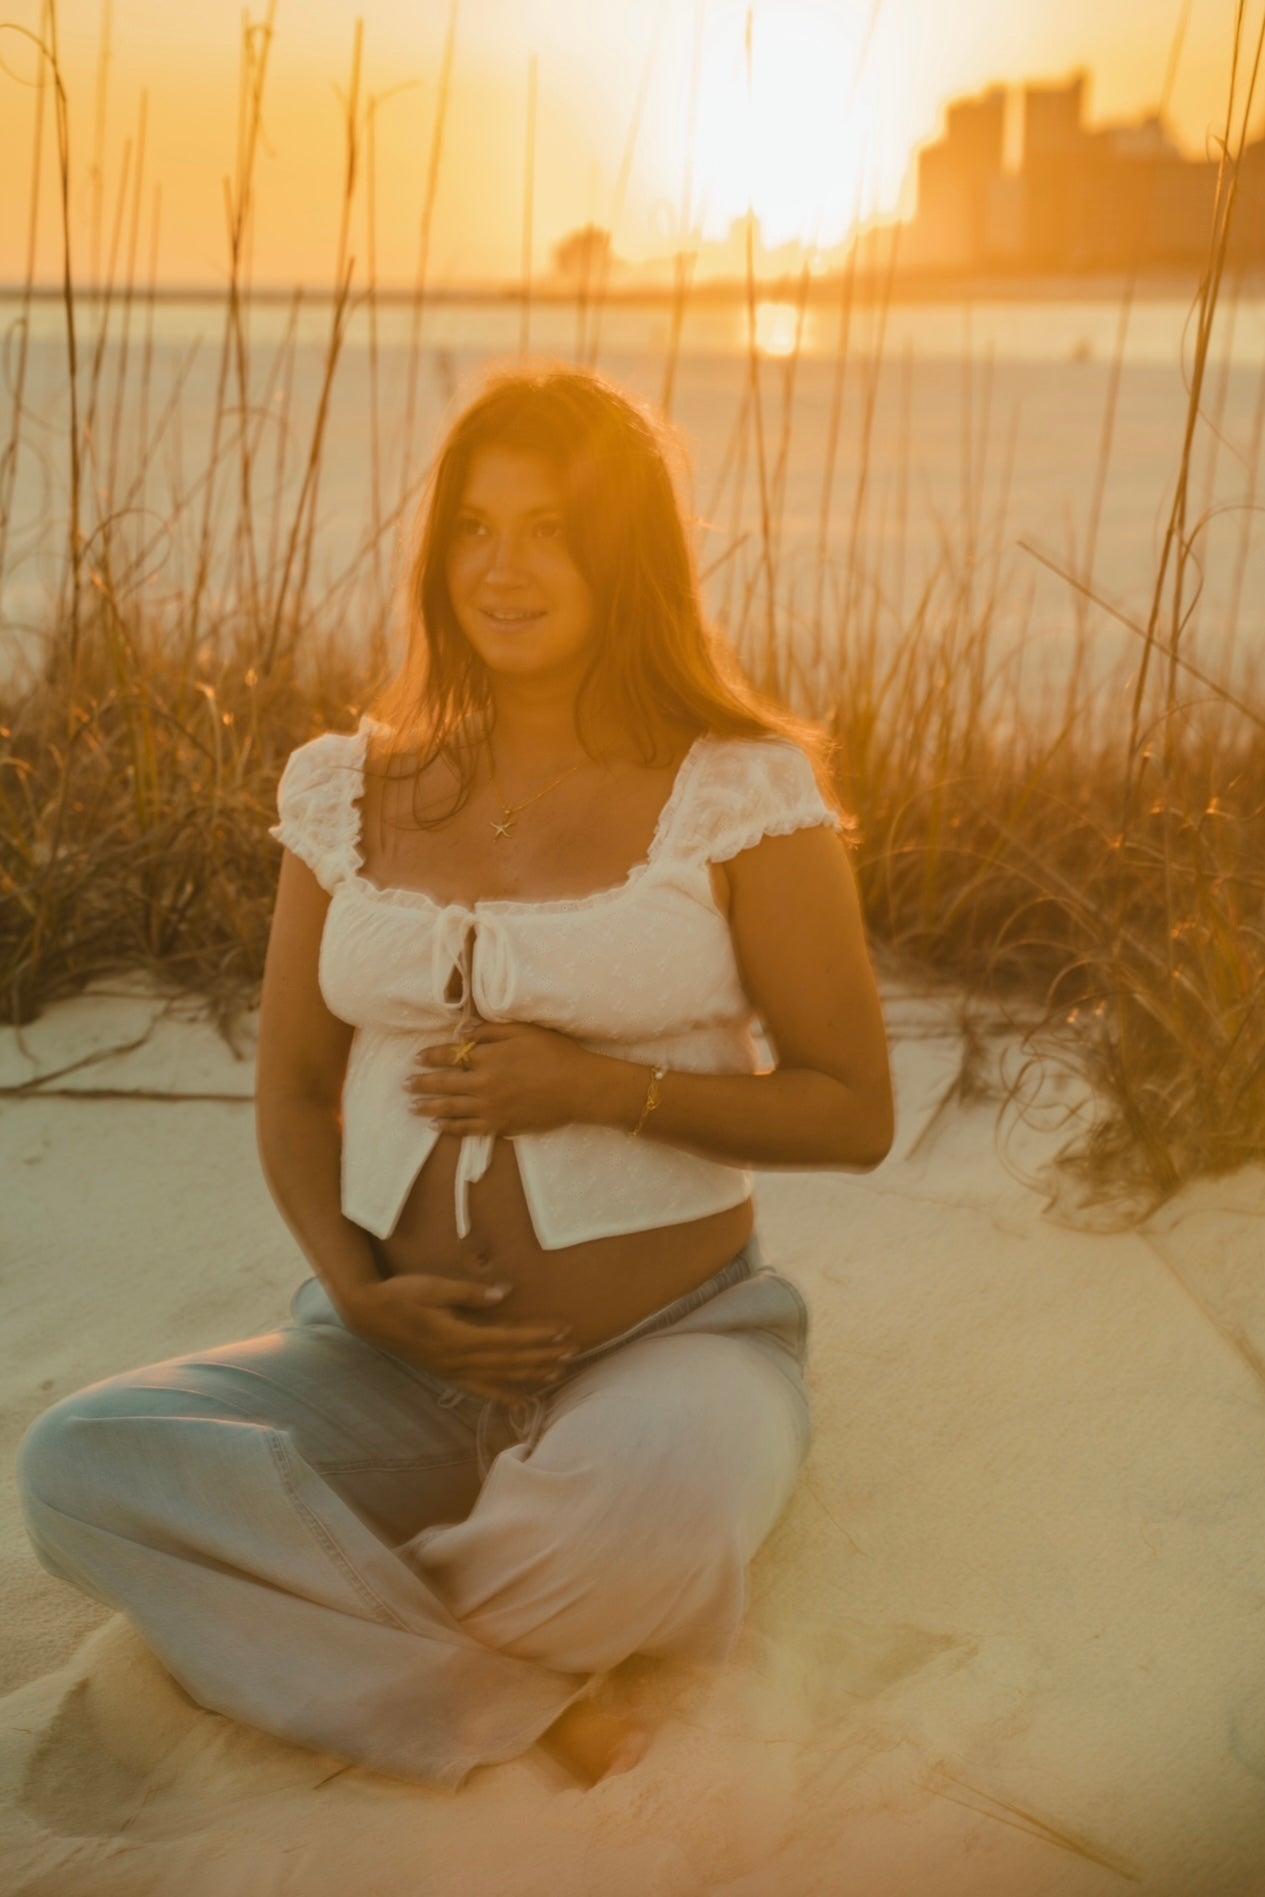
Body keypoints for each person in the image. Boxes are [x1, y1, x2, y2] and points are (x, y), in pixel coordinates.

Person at [17, 366, 894, 1790]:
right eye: (475, 529)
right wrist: (357, 1291)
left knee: (640, 1535)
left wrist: (596, 1089)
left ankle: (317, 1617)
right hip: (387, 1358)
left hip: (673, 1346)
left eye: (550, 530)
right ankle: (512, 1691)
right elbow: (294, 1089)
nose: (503, 568)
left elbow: (853, 1108)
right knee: (79, 1464)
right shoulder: (343, 786)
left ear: (626, 555)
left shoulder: (740, 790)